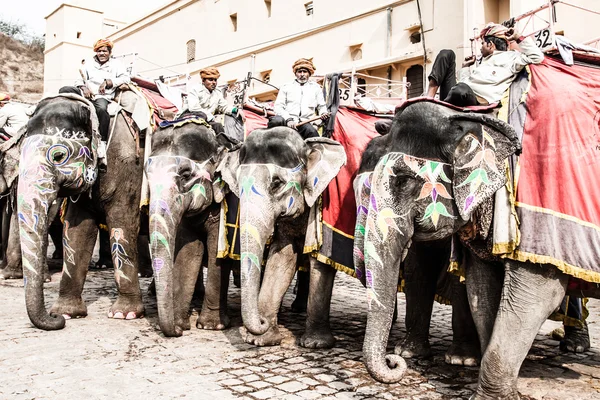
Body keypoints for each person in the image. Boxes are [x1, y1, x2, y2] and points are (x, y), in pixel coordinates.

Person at [427, 23, 544, 107]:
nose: (481, 47)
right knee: (447, 54)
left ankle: (442, 107)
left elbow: (537, 57)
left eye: (482, 43)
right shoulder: (483, 63)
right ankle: (428, 99)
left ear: (490, 45)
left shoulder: (512, 58)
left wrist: (519, 37)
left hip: (475, 99)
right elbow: (465, 82)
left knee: (460, 91)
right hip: (455, 95)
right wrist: (465, 67)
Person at [61, 38, 130, 141]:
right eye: (99, 51)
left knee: (101, 109)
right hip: (86, 93)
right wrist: (84, 88)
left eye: (104, 51)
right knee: (64, 90)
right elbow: (79, 79)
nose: (101, 53)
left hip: (102, 96)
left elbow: (125, 78)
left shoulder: (117, 64)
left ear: (109, 52)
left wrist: (108, 82)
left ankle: (102, 141)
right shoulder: (88, 64)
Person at [271, 58, 329, 139]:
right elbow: (278, 107)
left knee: (314, 136)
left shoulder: (316, 88)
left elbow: (322, 106)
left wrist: (323, 113)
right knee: (275, 121)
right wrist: (289, 119)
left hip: (304, 123)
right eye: (299, 72)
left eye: (305, 72)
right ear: (295, 73)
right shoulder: (286, 87)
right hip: (286, 121)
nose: (302, 74)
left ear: (309, 73)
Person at [186, 67, 238, 134]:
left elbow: (224, 106)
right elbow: (194, 108)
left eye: (215, 80)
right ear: (203, 81)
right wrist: (210, 117)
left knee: (218, 126)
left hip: (207, 120)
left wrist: (235, 110)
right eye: (210, 80)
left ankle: (223, 144)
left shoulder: (217, 92)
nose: (214, 82)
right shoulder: (195, 90)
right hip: (192, 117)